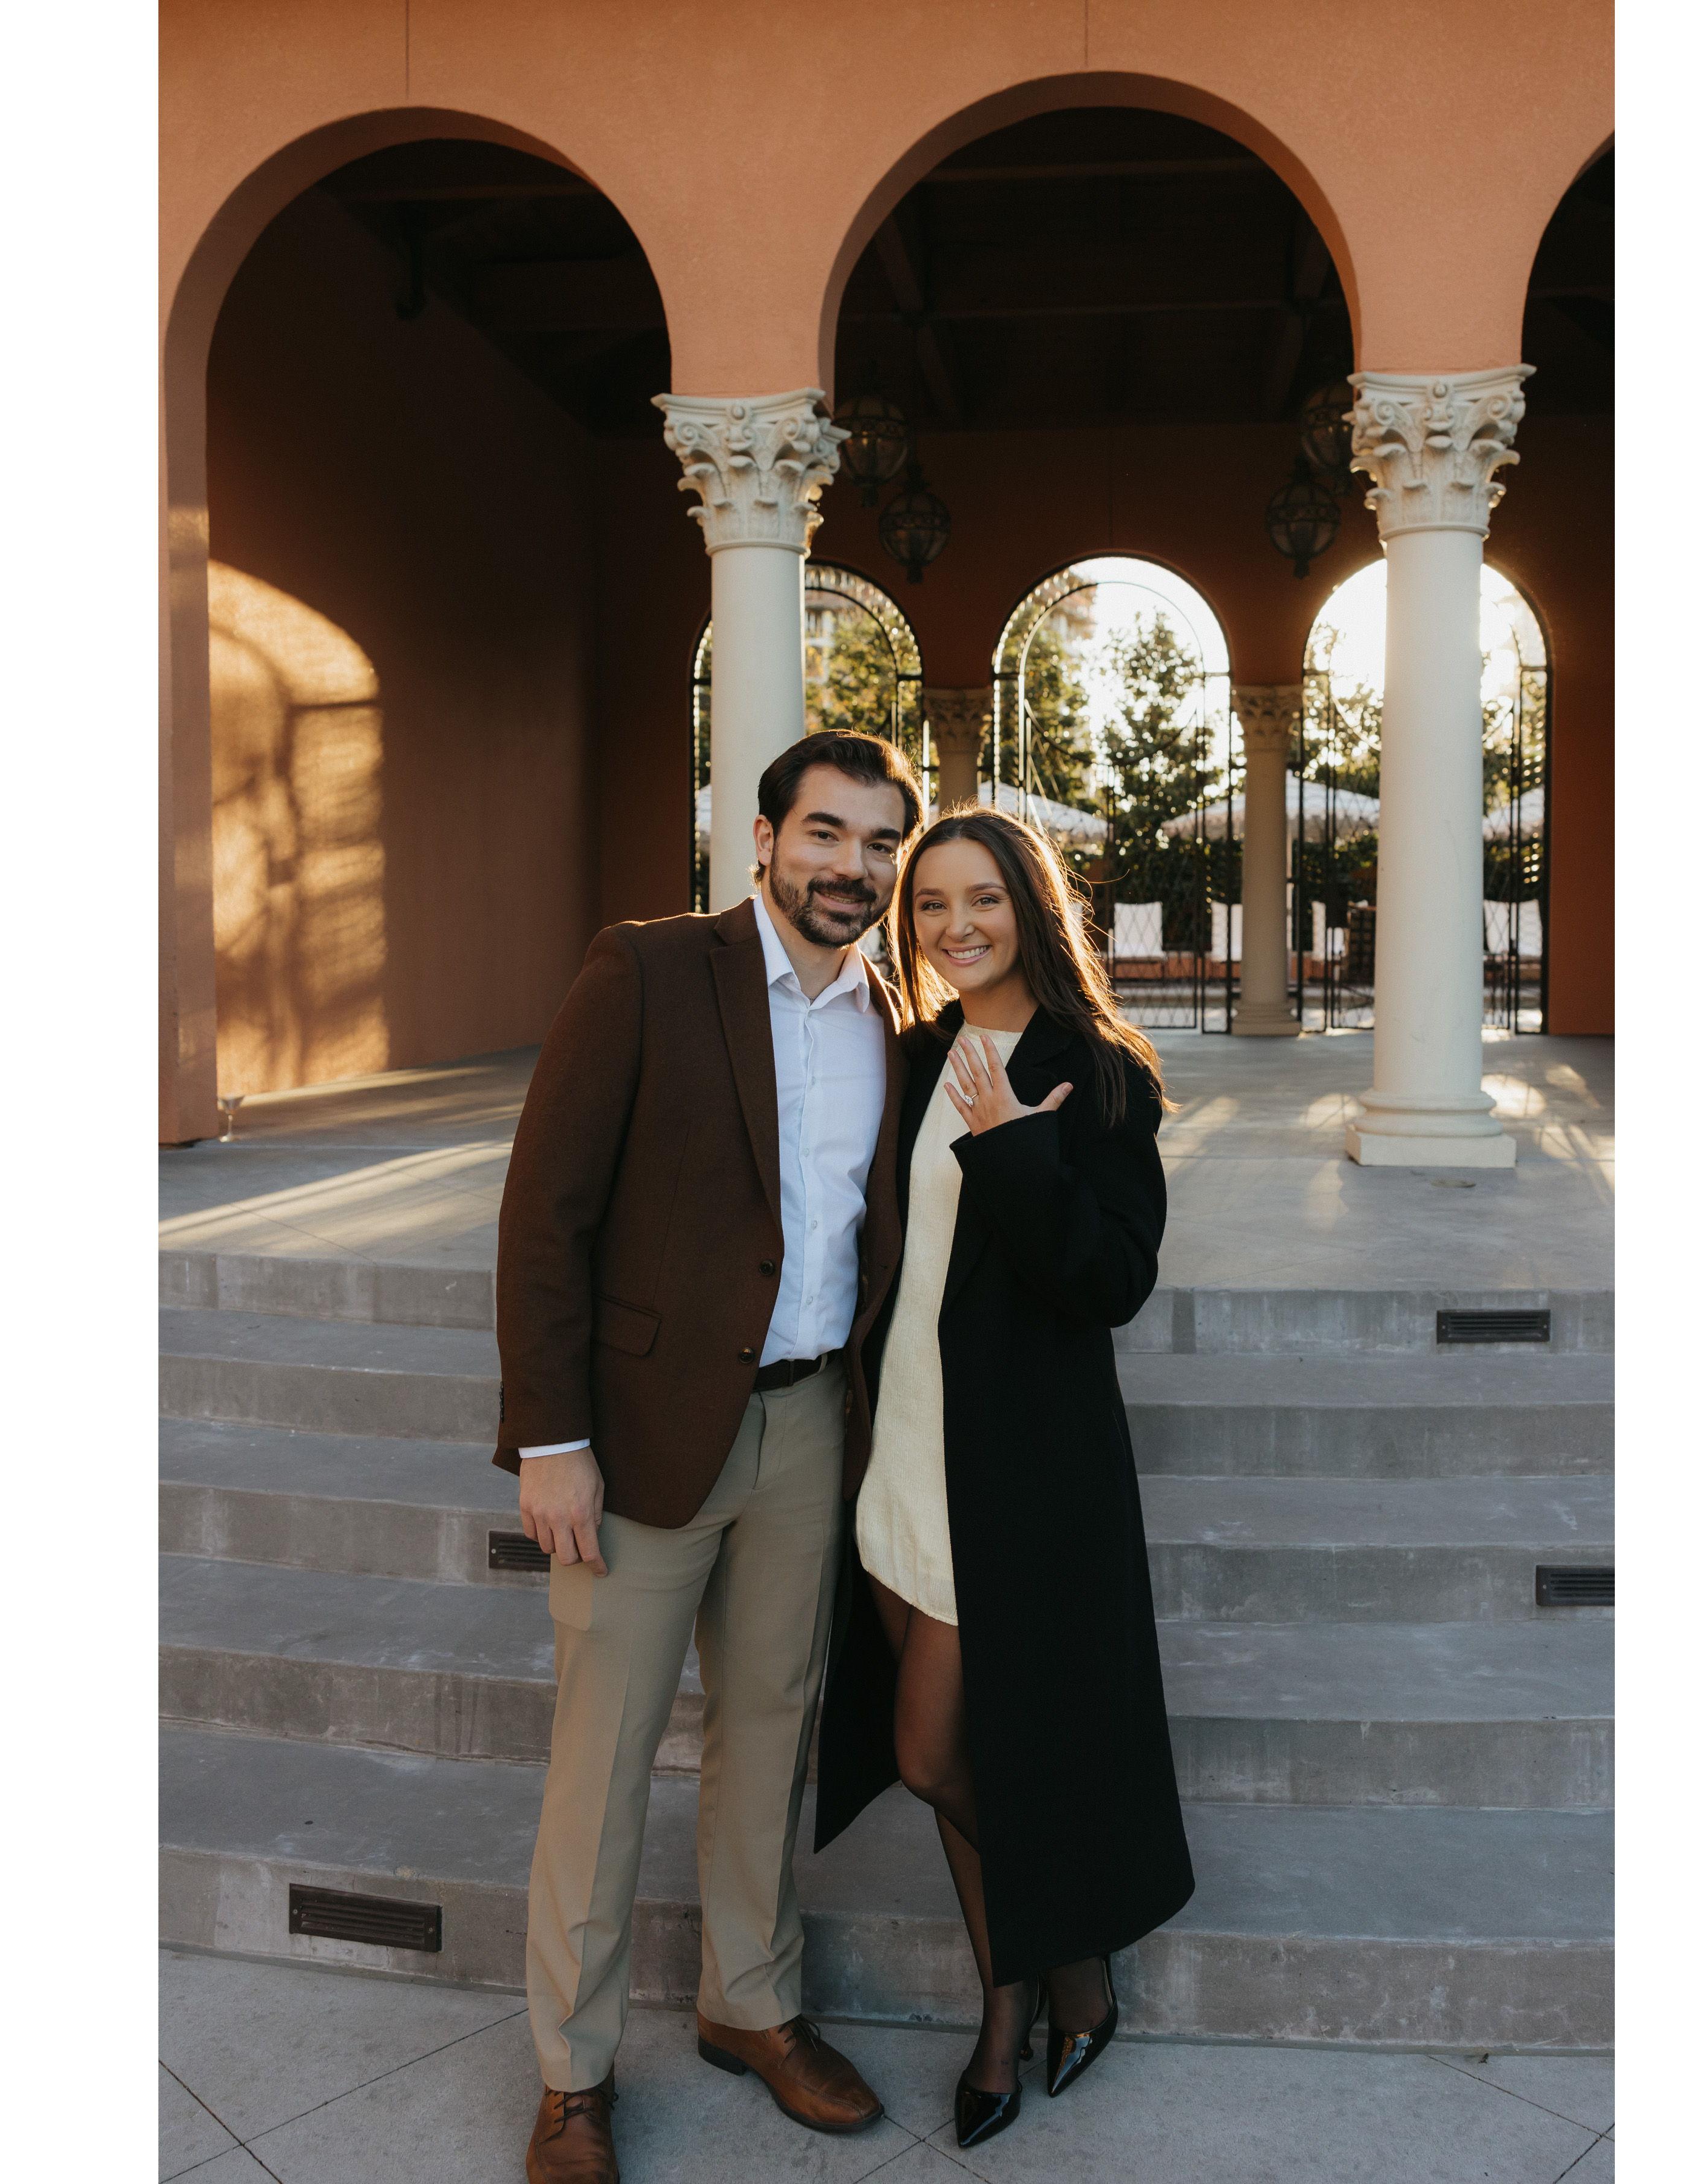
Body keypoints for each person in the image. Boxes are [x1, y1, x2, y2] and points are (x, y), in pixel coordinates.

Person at [493, 730, 921, 2184]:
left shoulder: (893, 1013)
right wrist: (553, 1439)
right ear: (764, 839)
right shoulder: (651, 969)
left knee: (770, 1731)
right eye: (826, 834)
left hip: (808, 1427)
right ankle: (573, 2076)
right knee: (604, 1759)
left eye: (878, 843)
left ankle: (751, 2002)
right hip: (639, 1434)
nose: (852, 867)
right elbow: (545, 1212)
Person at [815, 806, 1196, 2151]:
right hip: (900, 1459)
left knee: (931, 1754)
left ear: (1029, 907)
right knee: (958, 1756)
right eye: (929, 904)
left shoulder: (1097, 1071)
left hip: (1016, 1475)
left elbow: (1113, 1281)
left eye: (980, 899)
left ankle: (1035, 1986)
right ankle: (1045, 1977)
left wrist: (1018, 1149)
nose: (953, 926)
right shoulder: (917, 1054)